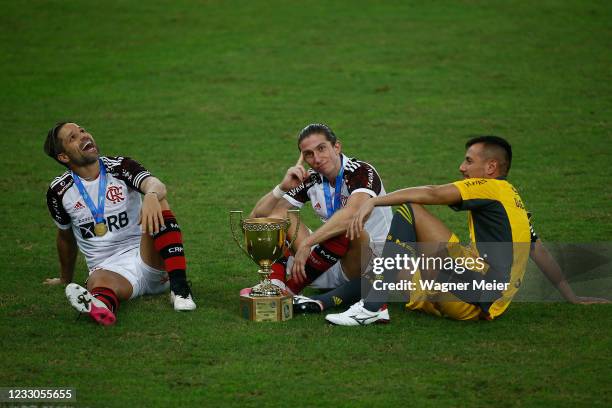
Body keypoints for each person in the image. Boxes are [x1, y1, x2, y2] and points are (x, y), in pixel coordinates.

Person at [324, 135, 609, 325]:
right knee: (397, 260)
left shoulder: (490, 186)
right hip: (487, 296)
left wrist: (374, 200)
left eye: (469, 161)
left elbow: (433, 192)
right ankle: (318, 303)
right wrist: (570, 294)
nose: (462, 167)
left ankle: (372, 308)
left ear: (491, 167)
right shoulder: (513, 199)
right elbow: (537, 248)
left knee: (407, 216)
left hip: (472, 296)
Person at [43, 122, 196, 326]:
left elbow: (155, 184)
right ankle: (102, 306)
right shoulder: (59, 191)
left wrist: (150, 195)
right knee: (97, 280)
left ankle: (180, 288)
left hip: (147, 257)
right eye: (73, 137)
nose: (84, 136)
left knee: (159, 199)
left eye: (82, 131)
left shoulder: (120, 166)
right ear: (63, 157)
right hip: (109, 269)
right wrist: (65, 278)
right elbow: (65, 237)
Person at [248, 123, 392, 311]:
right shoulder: (313, 178)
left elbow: (351, 216)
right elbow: (258, 218)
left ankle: (294, 286)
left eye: (321, 148)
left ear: (336, 146)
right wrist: (281, 187)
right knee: (278, 216)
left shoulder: (361, 171)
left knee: (355, 229)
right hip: (329, 260)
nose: (316, 158)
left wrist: (307, 244)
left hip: (370, 264)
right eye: (308, 154)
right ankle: (276, 284)